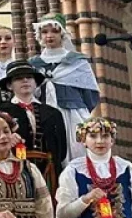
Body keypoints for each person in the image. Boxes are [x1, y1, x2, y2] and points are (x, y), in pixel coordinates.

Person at [29, 14, 99, 162]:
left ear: (62, 33)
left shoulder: (77, 61)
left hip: (73, 113)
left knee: (78, 153)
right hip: (45, 114)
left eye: (54, 31)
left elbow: (90, 94)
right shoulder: (34, 64)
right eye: (45, 32)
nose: (49, 36)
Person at [0, 60, 69, 188]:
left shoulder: (53, 113)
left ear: (36, 83)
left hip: (49, 173)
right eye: (18, 78)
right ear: (9, 85)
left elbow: (62, 150)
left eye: (29, 77)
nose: (25, 80)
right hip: (14, 173)